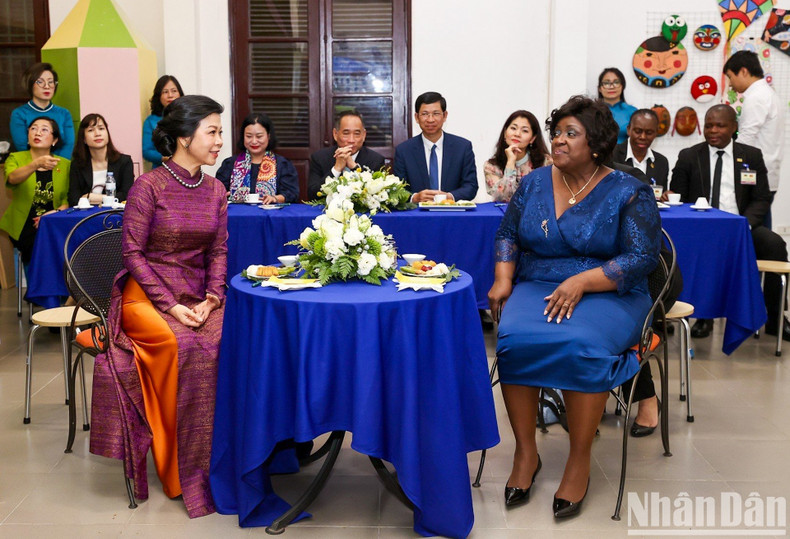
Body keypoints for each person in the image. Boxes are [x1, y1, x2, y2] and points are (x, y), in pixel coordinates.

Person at [488, 95, 661, 516]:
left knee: (580, 342)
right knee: (514, 338)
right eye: (556, 133)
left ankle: (579, 460)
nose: (558, 141)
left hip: (609, 289)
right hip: (539, 283)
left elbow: (642, 258)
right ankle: (526, 454)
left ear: (597, 144)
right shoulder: (533, 182)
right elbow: (508, 233)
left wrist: (583, 280)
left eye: (571, 134)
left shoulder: (629, 189)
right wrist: (503, 278)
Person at [89, 95, 228, 517]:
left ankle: (228, 460)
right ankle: (180, 469)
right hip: (144, 296)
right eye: (213, 131)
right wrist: (170, 306)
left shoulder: (216, 189)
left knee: (234, 338)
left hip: (197, 296)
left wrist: (213, 297)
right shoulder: (148, 186)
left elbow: (218, 252)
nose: (221, 140)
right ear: (184, 137)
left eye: (220, 132)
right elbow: (132, 254)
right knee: (185, 346)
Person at [670, 105, 788, 341]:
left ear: (734, 127)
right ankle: (704, 316)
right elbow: (678, 198)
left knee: (775, 245)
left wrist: (746, 224)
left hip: (741, 229)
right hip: (703, 231)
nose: (713, 130)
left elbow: (762, 197)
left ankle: (776, 320)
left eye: (720, 125)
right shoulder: (689, 156)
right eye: (709, 125)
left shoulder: (752, 156)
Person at [724, 50, 784, 226]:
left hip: (756, 174)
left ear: (743, 71)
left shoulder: (757, 97)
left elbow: (746, 139)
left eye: (730, 77)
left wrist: (730, 167)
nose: (730, 84)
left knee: (756, 229)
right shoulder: (767, 93)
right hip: (767, 170)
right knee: (762, 224)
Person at [1, 117, 70, 267]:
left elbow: (67, 199)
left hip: (53, 220)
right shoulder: (16, 158)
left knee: (62, 242)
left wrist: (54, 213)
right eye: (33, 129)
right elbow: (12, 178)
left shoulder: (65, 165)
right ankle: (38, 288)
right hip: (24, 223)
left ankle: (43, 288)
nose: (37, 133)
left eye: (44, 129)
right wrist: (36, 164)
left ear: (54, 140)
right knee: (37, 245)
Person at [393, 91, 478, 202]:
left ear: (445, 116)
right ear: (417, 117)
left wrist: (449, 197)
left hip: (452, 213)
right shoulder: (404, 150)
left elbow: (471, 186)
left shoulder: (462, 147)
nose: (430, 119)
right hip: (417, 214)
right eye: (424, 114)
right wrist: (414, 197)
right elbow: (397, 189)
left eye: (436, 113)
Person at [216, 112, 299, 203]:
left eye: (259, 136)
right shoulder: (229, 164)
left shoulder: (283, 164)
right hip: (236, 216)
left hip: (271, 215)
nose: (254, 141)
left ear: (268, 136)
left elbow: (292, 194)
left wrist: (275, 198)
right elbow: (217, 193)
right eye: (249, 136)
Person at [307, 110, 386, 200]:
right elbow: (312, 195)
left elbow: (377, 197)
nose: (351, 140)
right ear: (335, 134)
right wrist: (336, 169)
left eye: (357, 134)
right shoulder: (319, 158)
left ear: (364, 135)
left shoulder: (376, 160)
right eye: (346, 133)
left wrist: (354, 167)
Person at [9, 62, 74, 159]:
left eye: (50, 82)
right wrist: (40, 164)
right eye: (40, 82)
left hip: (60, 166)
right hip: (31, 166)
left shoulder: (64, 113)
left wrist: (57, 164)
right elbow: (22, 148)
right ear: (30, 84)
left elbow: (68, 144)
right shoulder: (19, 114)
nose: (46, 86)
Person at [68, 113, 135, 207]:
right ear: (84, 138)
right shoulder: (77, 164)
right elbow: (73, 199)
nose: (97, 134)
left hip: (113, 214)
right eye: (91, 130)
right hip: (85, 216)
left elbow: (127, 194)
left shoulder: (124, 162)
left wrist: (91, 197)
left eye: (101, 128)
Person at [484, 110, 551, 202]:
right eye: (513, 128)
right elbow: (503, 197)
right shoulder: (491, 166)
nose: (517, 134)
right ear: (505, 133)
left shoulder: (546, 162)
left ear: (532, 138)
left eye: (524, 131)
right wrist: (510, 162)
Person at [612, 109, 670, 194]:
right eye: (638, 131)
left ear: (656, 133)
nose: (643, 137)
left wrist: (665, 195)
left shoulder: (661, 162)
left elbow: (660, 194)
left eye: (649, 133)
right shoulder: (612, 155)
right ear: (629, 130)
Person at [142, 75, 184, 169]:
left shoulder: (188, 117)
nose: (170, 95)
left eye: (174, 91)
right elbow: (147, 151)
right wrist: (164, 158)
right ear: (159, 96)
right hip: (161, 170)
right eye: (165, 92)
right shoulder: (151, 121)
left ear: (180, 94)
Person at [597, 67, 637, 145]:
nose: (612, 87)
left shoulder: (633, 112)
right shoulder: (592, 111)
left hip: (624, 155)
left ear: (622, 86)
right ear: (600, 88)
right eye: (606, 83)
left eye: (616, 82)